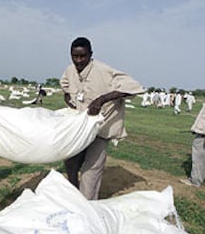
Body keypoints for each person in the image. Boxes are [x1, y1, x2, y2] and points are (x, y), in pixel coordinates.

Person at [60, 37, 144, 200]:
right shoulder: (70, 70)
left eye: (83, 56)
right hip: (79, 127)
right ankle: (74, 194)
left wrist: (103, 99)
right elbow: (65, 87)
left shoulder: (104, 71)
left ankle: (87, 206)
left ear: (90, 54)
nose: (79, 61)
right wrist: (68, 98)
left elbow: (134, 87)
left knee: (91, 171)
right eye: (75, 56)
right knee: (70, 161)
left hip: (99, 129)